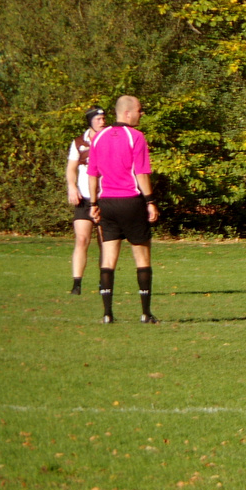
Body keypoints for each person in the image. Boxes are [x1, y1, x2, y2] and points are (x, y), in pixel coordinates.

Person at [86, 96, 159, 324]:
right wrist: (150, 201)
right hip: (131, 201)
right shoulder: (136, 136)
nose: (141, 114)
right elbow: (142, 173)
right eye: (140, 110)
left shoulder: (98, 137)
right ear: (128, 113)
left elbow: (92, 174)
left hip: (106, 203)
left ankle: (107, 314)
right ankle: (146, 313)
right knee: (142, 256)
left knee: (108, 258)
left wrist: (93, 204)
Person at [65, 106, 107, 296]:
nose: (102, 121)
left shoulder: (110, 139)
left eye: (104, 118)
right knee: (82, 240)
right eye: (98, 119)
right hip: (84, 198)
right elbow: (71, 168)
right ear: (90, 121)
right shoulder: (79, 142)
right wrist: (71, 186)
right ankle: (77, 284)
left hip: (105, 197)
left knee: (104, 241)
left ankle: (104, 282)